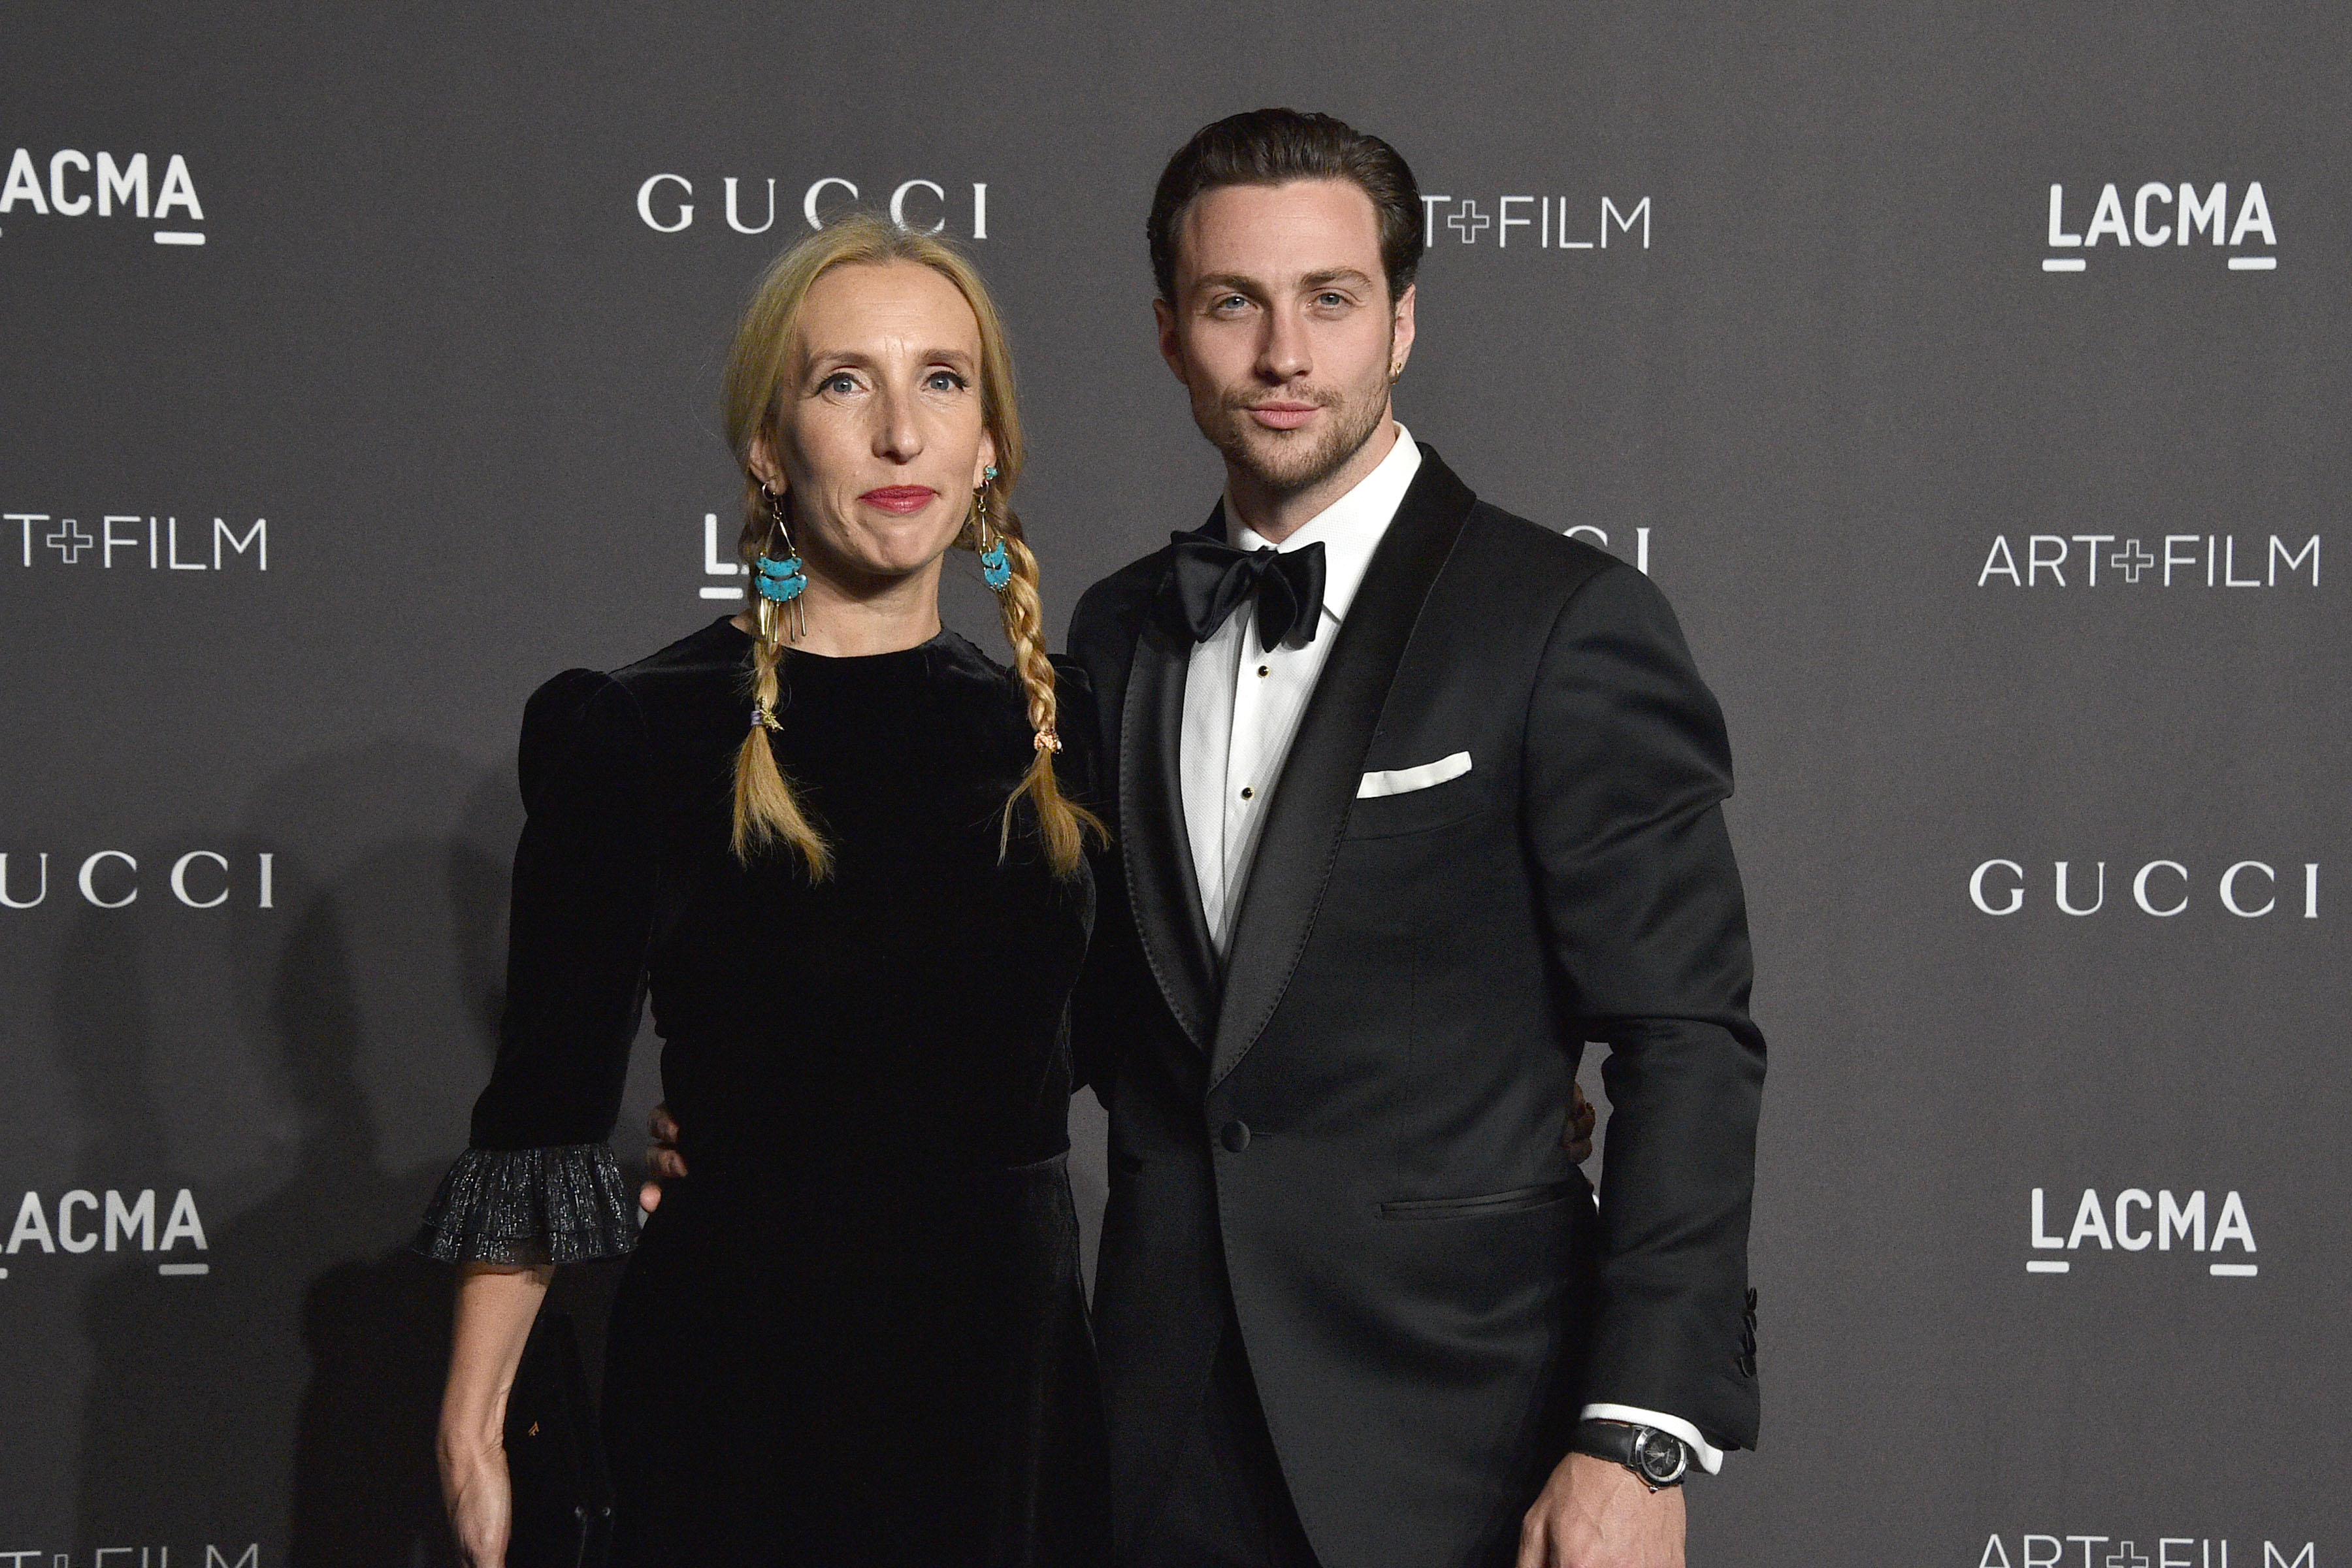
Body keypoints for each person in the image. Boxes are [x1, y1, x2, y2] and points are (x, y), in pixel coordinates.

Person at [1056, 110, 1767, 1568]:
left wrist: (1636, 1431)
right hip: (1160, 1433)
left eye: (1332, 299)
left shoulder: (1561, 620)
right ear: (1167, 332)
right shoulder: (1118, 632)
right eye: (1232, 304)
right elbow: (1087, 1012)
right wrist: (788, 1112)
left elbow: (1686, 1036)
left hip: (1467, 1436)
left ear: (1405, 317)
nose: (1284, 356)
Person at [416, 212, 1113, 1567]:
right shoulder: (643, 731)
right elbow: (544, 1105)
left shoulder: (1056, 725)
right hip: (747, 1389)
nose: (901, 434)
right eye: (846, 382)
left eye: (943, 381)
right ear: (768, 443)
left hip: (1013, 1392)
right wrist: (472, 1420)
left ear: (990, 447)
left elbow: (1152, 1044)